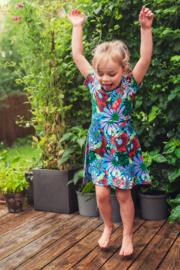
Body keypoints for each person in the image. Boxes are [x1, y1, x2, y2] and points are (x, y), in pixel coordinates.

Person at [68, 6, 154, 256]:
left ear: (124, 71)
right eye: (101, 73)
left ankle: (128, 235)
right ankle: (108, 227)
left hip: (120, 150)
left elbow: (145, 59)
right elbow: (77, 56)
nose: (105, 78)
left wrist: (145, 29)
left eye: (111, 74)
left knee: (123, 194)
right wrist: (77, 26)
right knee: (102, 194)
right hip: (99, 148)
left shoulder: (129, 86)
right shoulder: (93, 84)